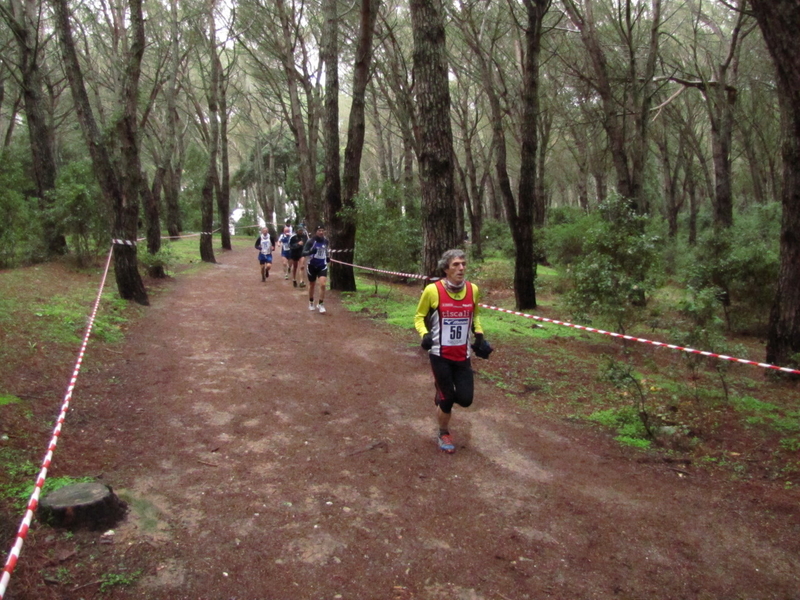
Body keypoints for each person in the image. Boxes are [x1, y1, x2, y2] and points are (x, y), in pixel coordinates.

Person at [414, 249, 491, 454]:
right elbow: (419, 317)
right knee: (448, 398)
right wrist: (424, 334)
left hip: (463, 355)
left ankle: (441, 395)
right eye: (456, 264)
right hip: (440, 354)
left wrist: (480, 334)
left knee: (466, 399)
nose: (461, 268)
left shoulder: (472, 289)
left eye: (463, 264)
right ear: (446, 268)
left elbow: (475, 317)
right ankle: (443, 432)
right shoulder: (433, 290)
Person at [303, 225, 331, 313]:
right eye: (319, 230)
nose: (321, 232)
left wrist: (327, 257)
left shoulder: (326, 241)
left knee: (322, 284)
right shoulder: (311, 241)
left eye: (323, 230)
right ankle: (311, 302)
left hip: (322, 265)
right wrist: (311, 251)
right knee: (312, 284)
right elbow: (303, 252)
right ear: (316, 231)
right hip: (312, 265)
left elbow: (326, 250)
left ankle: (321, 304)